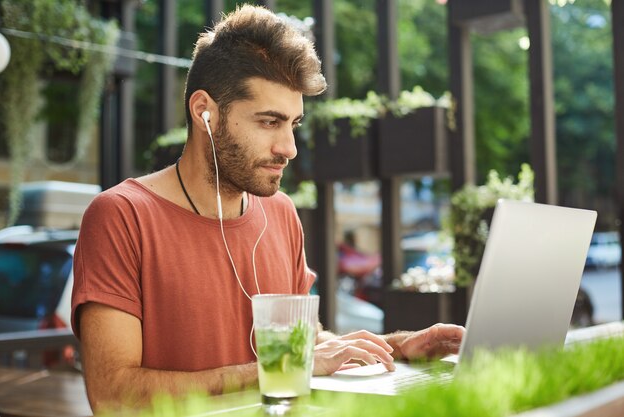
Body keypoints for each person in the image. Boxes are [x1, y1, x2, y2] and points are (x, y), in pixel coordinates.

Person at [71, 4, 464, 412]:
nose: (289, 149)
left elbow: (305, 348)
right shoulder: (120, 216)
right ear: (204, 111)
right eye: (269, 122)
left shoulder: (281, 214)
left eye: (293, 124)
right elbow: (112, 394)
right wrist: (284, 367)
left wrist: (398, 348)